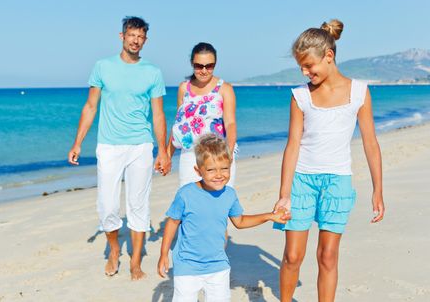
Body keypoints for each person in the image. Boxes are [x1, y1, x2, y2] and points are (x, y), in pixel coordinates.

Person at [273, 19, 385, 301]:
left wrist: (378, 190)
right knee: (292, 256)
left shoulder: (359, 92)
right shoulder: (300, 96)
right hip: (302, 181)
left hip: (337, 182)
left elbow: (371, 143)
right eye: (301, 67)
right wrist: (284, 194)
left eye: (309, 65)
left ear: (329, 56)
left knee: (328, 256)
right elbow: (293, 145)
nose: (305, 72)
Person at [68, 16, 170, 280]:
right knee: (108, 205)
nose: (135, 40)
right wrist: (78, 142)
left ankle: (136, 261)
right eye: (131, 35)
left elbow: (158, 114)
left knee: (139, 205)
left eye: (141, 37)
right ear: (122, 36)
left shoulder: (153, 72)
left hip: (140, 145)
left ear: (145, 40)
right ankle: (114, 249)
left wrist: (163, 150)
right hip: (109, 145)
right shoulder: (102, 67)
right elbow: (91, 106)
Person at [158, 134, 290, 301]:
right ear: (198, 170)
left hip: (218, 266)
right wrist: (164, 254)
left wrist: (270, 216)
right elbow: (173, 222)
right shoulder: (185, 194)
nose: (219, 174)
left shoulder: (229, 195)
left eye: (224, 168)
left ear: (231, 166)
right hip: (187, 266)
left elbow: (240, 221)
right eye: (211, 169)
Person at [168, 42, 238, 187]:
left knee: (221, 203)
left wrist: (228, 153)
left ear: (215, 64)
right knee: (190, 201)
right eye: (199, 66)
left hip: (218, 155)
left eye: (209, 66)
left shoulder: (224, 89)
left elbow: (230, 123)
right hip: (189, 155)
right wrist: (167, 155)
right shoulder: (183, 88)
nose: (204, 70)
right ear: (192, 64)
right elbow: (179, 126)